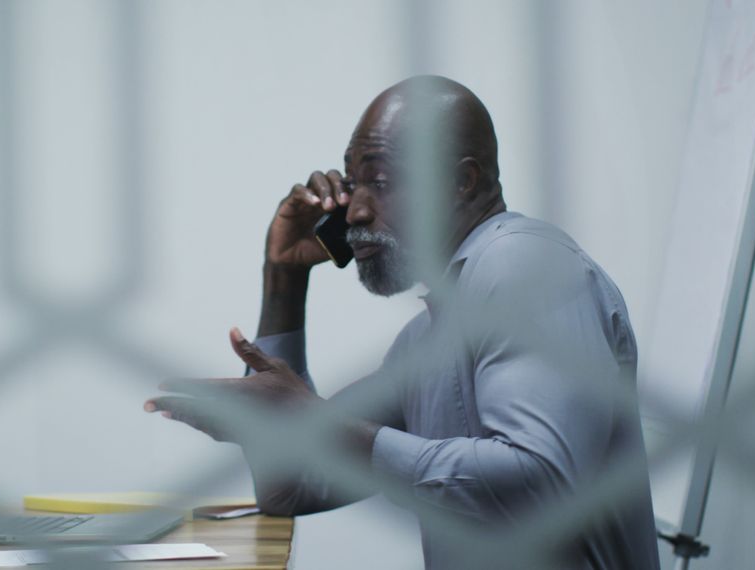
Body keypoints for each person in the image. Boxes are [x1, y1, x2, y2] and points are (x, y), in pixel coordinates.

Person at [145, 75, 660, 569]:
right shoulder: (425, 339)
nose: (354, 212)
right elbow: (291, 487)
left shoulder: (522, 261)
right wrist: (284, 275)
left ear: (461, 182)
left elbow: (541, 482)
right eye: (352, 184)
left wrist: (311, 419)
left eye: (381, 182)